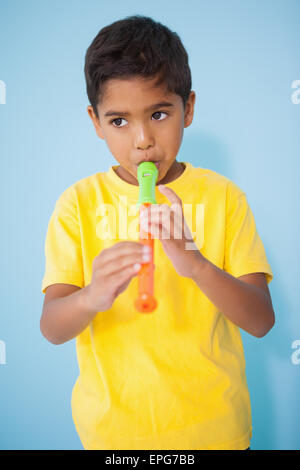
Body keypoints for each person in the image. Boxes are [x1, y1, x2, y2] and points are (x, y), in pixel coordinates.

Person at [40, 15, 275, 450]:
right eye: (119, 122)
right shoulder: (77, 204)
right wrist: (92, 296)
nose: (143, 141)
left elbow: (261, 321)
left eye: (159, 113)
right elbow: (52, 327)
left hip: (215, 431)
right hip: (113, 437)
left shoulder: (225, 198)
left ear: (189, 108)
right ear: (95, 121)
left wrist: (195, 263)